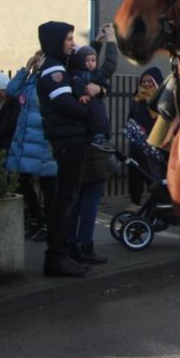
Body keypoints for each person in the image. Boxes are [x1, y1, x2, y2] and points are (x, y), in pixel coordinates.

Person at [35, 20, 100, 278]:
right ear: (56, 41)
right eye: (69, 39)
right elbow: (64, 103)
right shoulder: (53, 69)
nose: (73, 44)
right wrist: (89, 112)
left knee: (66, 198)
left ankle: (62, 253)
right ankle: (55, 257)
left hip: (71, 138)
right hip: (68, 140)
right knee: (64, 199)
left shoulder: (58, 65)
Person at [65, 27, 120, 265]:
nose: (91, 63)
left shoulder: (74, 77)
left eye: (93, 60)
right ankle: (85, 245)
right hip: (93, 145)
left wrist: (96, 42)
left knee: (78, 199)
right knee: (90, 199)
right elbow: (108, 65)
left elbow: (89, 61)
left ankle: (72, 243)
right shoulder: (85, 80)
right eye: (87, 60)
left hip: (81, 144)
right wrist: (111, 40)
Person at [6, 52, 56, 241]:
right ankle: (38, 218)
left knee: (48, 185)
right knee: (22, 181)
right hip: (25, 141)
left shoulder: (50, 80)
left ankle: (49, 225)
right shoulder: (31, 81)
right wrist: (26, 69)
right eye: (35, 59)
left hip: (42, 141)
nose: (37, 63)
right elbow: (11, 90)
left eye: (39, 60)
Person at [127, 66, 165, 206]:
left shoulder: (161, 99)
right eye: (144, 81)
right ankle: (135, 203)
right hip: (136, 144)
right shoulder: (136, 98)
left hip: (153, 144)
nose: (147, 84)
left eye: (150, 81)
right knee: (135, 174)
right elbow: (130, 118)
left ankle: (157, 204)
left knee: (153, 176)